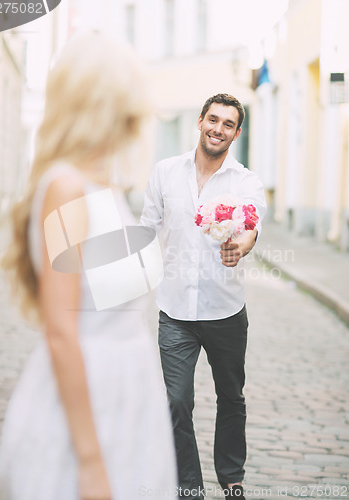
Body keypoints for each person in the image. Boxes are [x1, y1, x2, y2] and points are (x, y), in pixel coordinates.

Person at [0, 33, 177, 500]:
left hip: (128, 399)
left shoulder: (104, 188)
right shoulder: (66, 188)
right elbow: (61, 328)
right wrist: (92, 460)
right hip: (86, 404)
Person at [140, 93, 267, 500]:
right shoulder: (164, 173)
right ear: (200, 121)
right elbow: (146, 229)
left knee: (231, 396)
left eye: (228, 124)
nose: (218, 129)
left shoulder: (244, 181)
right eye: (213, 120)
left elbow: (251, 226)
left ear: (236, 132)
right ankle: (189, 487)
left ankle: (232, 477)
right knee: (177, 401)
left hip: (225, 310)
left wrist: (242, 246)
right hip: (174, 310)